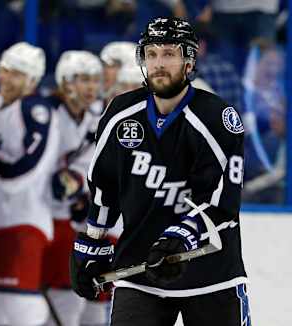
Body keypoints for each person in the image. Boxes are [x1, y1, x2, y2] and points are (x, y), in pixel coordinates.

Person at [70, 17, 251, 326]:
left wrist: (180, 238)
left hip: (212, 275)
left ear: (190, 61)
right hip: (140, 273)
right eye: (152, 54)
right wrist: (91, 245)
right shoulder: (119, 114)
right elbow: (104, 187)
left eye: (169, 54)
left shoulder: (217, 117)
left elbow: (223, 203)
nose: (158, 63)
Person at [0, 42, 59, 325]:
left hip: (21, 222)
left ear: (32, 80)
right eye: (4, 71)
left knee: (21, 306)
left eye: (16, 74)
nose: (5, 78)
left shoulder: (38, 112)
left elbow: (20, 175)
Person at [42, 50, 103, 326]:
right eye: (83, 80)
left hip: (63, 217)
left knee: (67, 297)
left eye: (94, 80)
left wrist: (78, 184)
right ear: (66, 82)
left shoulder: (93, 116)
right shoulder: (47, 113)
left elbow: (89, 163)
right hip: (36, 211)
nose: (91, 87)